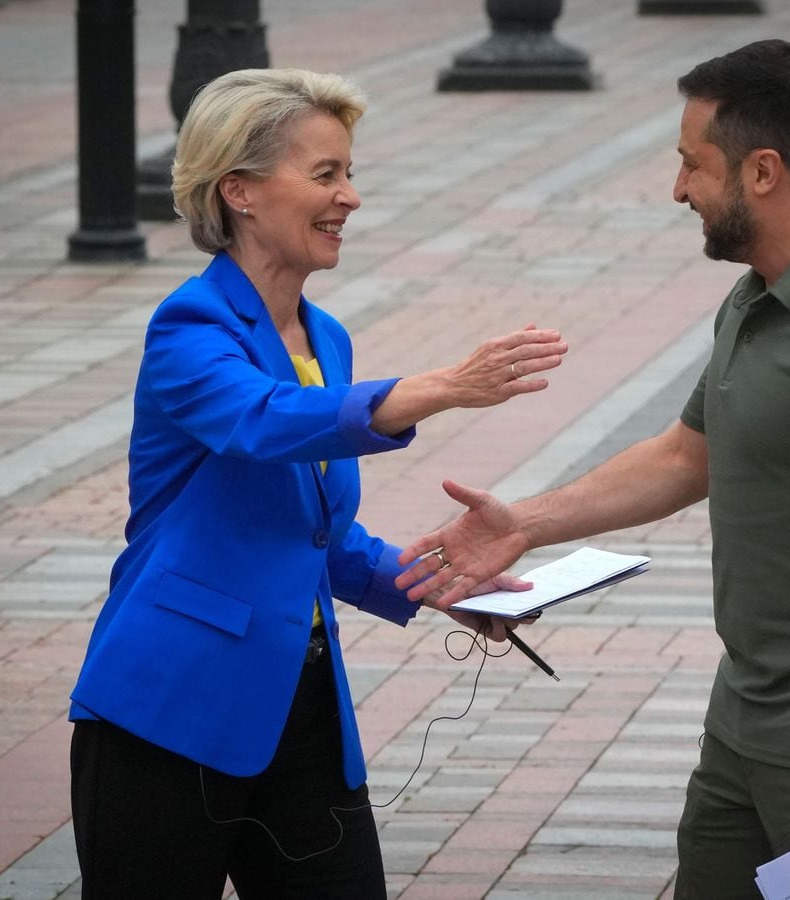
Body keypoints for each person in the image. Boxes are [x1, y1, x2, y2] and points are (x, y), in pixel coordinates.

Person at [397, 39, 790, 898]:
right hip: (750, 708)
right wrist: (526, 523)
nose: (677, 190)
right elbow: (685, 454)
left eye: (692, 165)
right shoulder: (763, 293)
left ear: (763, 171)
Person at [67, 68, 567, 899]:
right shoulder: (190, 327)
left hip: (300, 708)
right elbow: (259, 421)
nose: (351, 198)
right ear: (241, 192)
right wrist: (441, 386)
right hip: (169, 706)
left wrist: (443, 586)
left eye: (350, 173)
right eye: (326, 174)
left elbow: (314, 534)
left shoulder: (324, 335)